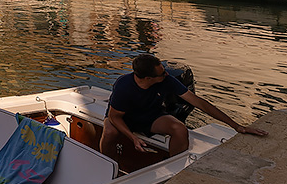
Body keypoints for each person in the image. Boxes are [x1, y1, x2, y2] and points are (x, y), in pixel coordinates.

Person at [100, 53, 267, 157]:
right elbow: (115, 117)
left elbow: (199, 103)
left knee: (179, 129)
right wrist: (133, 138)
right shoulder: (124, 86)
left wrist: (237, 126)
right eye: (162, 73)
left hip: (150, 116)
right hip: (124, 118)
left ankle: (175, 169)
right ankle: (109, 166)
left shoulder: (166, 80)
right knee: (109, 132)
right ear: (147, 78)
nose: (166, 74)